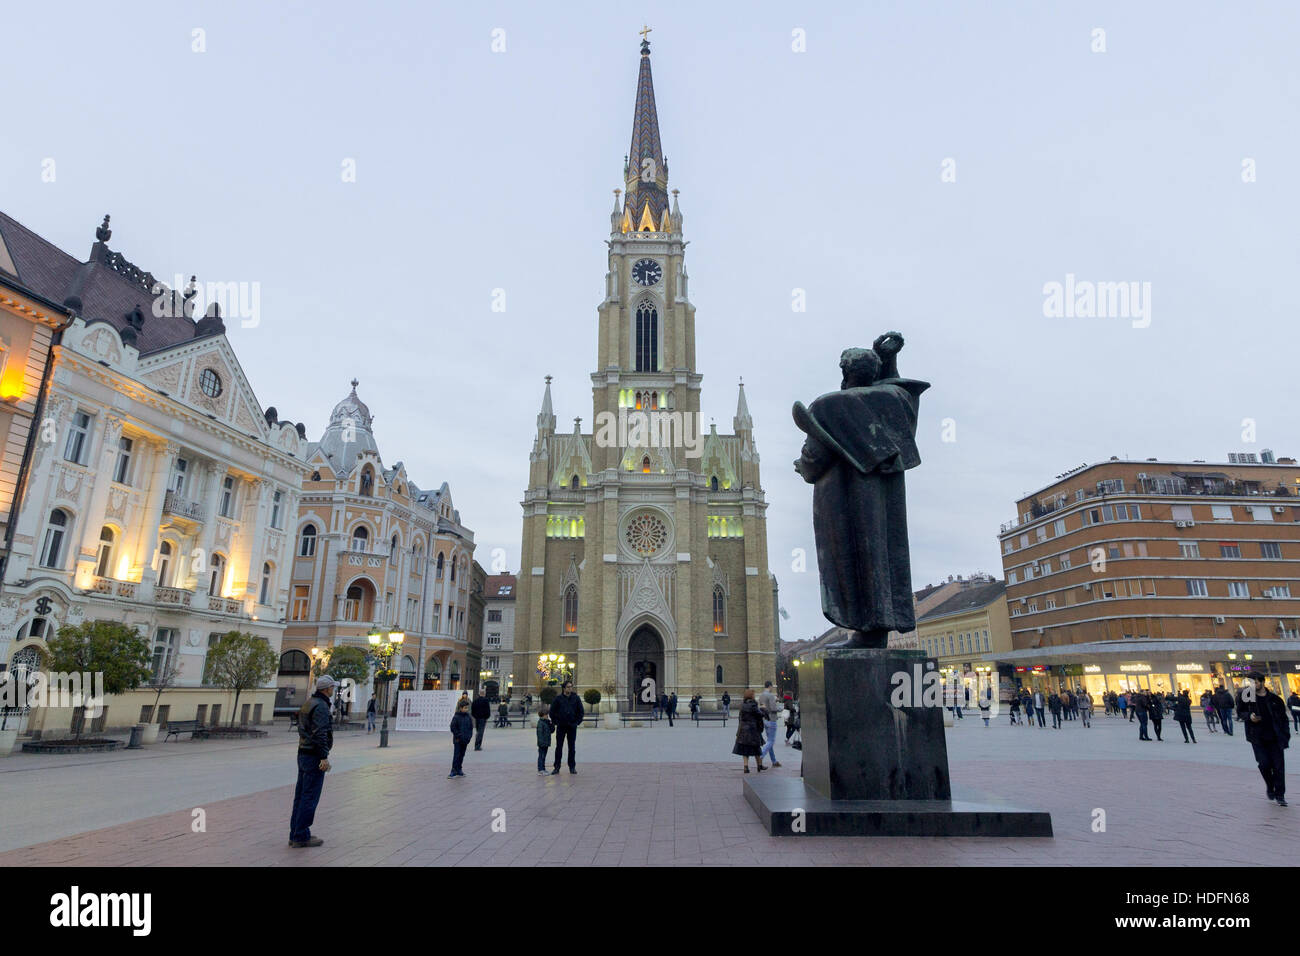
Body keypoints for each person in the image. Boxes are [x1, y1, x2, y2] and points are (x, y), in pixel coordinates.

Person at [289, 675, 335, 848]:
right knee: (309, 796)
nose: (333, 690)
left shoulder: (309, 702)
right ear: (326, 689)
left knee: (300, 796)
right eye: (332, 687)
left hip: (303, 752)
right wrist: (323, 756)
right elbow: (320, 733)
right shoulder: (322, 706)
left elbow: (304, 729)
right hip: (313, 755)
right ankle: (301, 836)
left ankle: (295, 833)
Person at [1237, 671, 1290, 806]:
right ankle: (1270, 785)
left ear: (1262, 682)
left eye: (1255, 682)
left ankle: (1280, 795)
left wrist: (1285, 735)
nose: (1253, 685)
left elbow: (1284, 719)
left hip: (1275, 738)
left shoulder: (1275, 699)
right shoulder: (1246, 697)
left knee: (1279, 767)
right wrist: (1249, 716)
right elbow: (1240, 713)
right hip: (1257, 738)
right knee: (1264, 764)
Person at [550, 680, 584, 774]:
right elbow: (552, 712)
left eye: (571, 687)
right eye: (568, 687)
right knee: (559, 747)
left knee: (572, 747)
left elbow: (581, 711)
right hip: (561, 726)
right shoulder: (558, 699)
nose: (570, 688)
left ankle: (572, 767)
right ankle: (557, 767)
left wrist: (577, 722)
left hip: (572, 726)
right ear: (564, 688)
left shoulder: (576, 698)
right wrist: (556, 722)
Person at [732, 689, 766, 773]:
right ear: (751, 696)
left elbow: (740, 718)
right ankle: (759, 765)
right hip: (753, 729)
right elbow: (760, 714)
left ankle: (746, 767)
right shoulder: (753, 705)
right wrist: (763, 708)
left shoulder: (742, 705)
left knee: (745, 749)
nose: (754, 696)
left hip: (743, 729)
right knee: (756, 748)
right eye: (754, 694)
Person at [758, 680, 782, 769]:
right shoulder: (771, 696)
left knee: (769, 741)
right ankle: (761, 756)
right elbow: (773, 708)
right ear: (770, 686)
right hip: (772, 719)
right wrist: (780, 708)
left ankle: (774, 760)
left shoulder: (761, 696)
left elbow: (761, 707)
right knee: (771, 741)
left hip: (765, 719)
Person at [449, 700, 473, 778]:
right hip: (458, 740)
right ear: (461, 708)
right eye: (465, 708)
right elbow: (453, 727)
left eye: (467, 708)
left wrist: (469, 737)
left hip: (465, 740)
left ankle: (459, 769)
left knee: (462, 755)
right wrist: (458, 735)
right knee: (457, 755)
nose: (467, 709)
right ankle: (453, 770)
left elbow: (470, 728)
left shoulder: (468, 717)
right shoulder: (456, 717)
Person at [535, 704, 553, 775]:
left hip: (546, 743)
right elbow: (539, 734)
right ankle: (540, 769)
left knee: (544, 756)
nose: (547, 716)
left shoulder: (546, 722)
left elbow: (551, 731)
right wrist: (541, 743)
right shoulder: (540, 723)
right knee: (541, 756)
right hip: (542, 743)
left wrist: (551, 724)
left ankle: (543, 769)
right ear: (543, 715)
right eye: (546, 715)